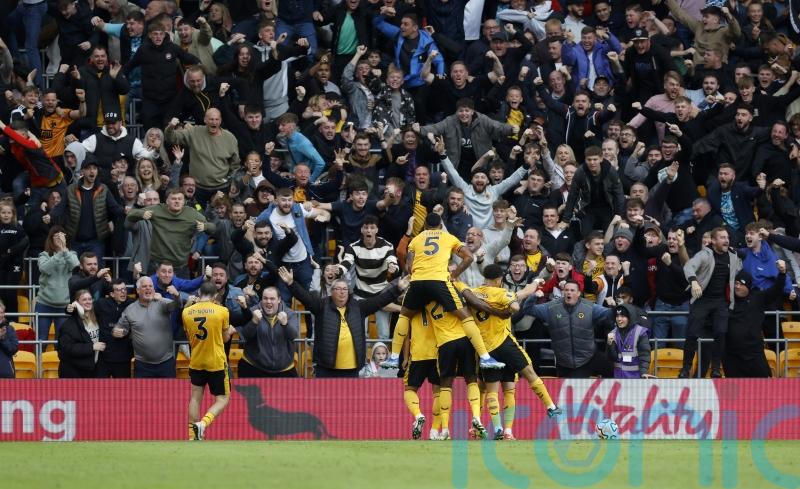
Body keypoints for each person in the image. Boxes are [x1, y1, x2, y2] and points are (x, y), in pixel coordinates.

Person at [467, 265, 561, 441]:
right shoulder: (502, 293)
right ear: (499, 280)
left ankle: (496, 428)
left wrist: (535, 281)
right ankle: (549, 406)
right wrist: (507, 310)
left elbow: (525, 290)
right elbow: (517, 304)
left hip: (485, 349)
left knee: (490, 390)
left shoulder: (472, 293)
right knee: (521, 379)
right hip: (505, 343)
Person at [277, 266, 408, 378]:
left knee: (350, 406)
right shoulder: (321, 306)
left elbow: (380, 300)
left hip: (352, 370)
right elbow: (304, 297)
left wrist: (398, 289)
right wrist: (291, 283)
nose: (341, 292)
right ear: (331, 292)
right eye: (338, 289)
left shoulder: (359, 307)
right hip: (326, 369)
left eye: (344, 289)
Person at [681, 227, 742, 378]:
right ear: (713, 241)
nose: (726, 240)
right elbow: (689, 266)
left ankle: (716, 368)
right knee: (692, 333)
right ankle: (685, 368)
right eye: (722, 237)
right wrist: (694, 282)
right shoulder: (704, 254)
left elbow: (740, 268)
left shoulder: (733, 256)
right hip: (702, 299)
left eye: (727, 237)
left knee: (721, 333)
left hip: (721, 301)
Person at [521, 279, 615, 378]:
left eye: (572, 290)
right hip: (565, 362)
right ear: (563, 292)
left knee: (613, 370)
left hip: (589, 357)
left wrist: (613, 306)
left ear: (579, 293)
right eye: (566, 290)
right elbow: (528, 309)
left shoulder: (590, 308)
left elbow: (610, 314)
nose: (568, 292)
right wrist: (533, 296)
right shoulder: (551, 308)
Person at [182, 281, 237, 441]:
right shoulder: (222, 311)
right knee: (223, 399)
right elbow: (226, 337)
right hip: (216, 362)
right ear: (215, 296)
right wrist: (231, 331)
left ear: (199, 293)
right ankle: (203, 424)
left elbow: (189, 337)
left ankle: (192, 436)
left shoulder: (186, 312)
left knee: (195, 398)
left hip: (197, 361)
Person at [126, 188, 216, 276]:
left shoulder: (192, 213)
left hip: (181, 267)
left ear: (184, 201)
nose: (177, 201)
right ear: (167, 201)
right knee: (153, 291)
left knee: (182, 291)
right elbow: (130, 215)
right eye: (173, 199)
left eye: (180, 199)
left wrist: (205, 226)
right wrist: (141, 214)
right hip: (157, 265)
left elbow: (213, 228)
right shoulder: (157, 209)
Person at [165, 110, 240, 206]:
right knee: (198, 215)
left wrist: (231, 180)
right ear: (205, 120)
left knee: (219, 216)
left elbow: (235, 164)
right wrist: (171, 126)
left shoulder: (230, 138)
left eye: (216, 119)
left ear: (220, 121)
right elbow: (171, 138)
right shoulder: (194, 132)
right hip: (197, 189)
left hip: (221, 187)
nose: (214, 122)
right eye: (211, 119)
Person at [724, 262, 786, 378]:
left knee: (763, 390)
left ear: (748, 286)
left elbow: (776, 290)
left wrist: (782, 274)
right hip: (731, 357)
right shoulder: (727, 301)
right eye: (735, 283)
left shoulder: (758, 298)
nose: (737, 286)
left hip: (754, 355)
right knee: (734, 394)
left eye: (741, 284)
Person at [117, 276, 182, 378]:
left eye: (150, 286)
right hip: (142, 365)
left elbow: (178, 305)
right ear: (138, 290)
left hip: (166, 363)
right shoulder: (130, 310)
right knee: (143, 394)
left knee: (168, 394)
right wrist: (118, 331)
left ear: (154, 289)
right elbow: (121, 329)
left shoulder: (162, 303)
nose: (148, 288)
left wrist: (177, 295)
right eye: (144, 286)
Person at [236, 287, 299, 377]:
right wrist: (254, 322)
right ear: (261, 299)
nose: (268, 301)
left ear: (279, 300)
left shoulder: (289, 314)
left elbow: (293, 336)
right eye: (265, 298)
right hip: (254, 367)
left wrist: (285, 324)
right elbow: (245, 336)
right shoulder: (253, 312)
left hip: (284, 369)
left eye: (272, 299)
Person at [36, 226, 79, 343]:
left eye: (61, 235)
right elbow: (44, 269)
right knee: (41, 340)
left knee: (62, 341)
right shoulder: (44, 255)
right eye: (56, 236)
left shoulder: (71, 253)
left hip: (64, 305)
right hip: (44, 304)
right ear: (51, 239)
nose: (59, 238)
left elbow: (76, 266)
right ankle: (39, 361)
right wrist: (59, 253)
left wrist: (64, 250)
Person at [57, 290, 105, 378]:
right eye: (84, 300)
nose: (88, 302)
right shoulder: (69, 325)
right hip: (74, 371)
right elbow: (67, 348)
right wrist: (92, 347)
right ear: (77, 303)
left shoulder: (97, 318)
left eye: (90, 299)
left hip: (92, 368)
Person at [94, 278, 135, 378]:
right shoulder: (101, 304)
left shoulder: (132, 304)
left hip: (123, 358)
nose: (123, 292)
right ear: (112, 294)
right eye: (119, 290)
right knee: (99, 391)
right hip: (103, 358)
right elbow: (85, 311)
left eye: (124, 289)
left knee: (123, 392)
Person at [606, 304, 651, 378]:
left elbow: (644, 355)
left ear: (630, 317)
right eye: (617, 316)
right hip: (618, 377)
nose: (619, 319)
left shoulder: (640, 332)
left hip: (635, 377)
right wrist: (610, 344)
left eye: (623, 316)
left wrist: (644, 372)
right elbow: (612, 358)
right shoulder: (612, 333)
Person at [0, 301, 20, 379]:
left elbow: (13, 349)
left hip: (6, 372)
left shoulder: (9, 329)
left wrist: (3, 338)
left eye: (2, 312)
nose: (0, 315)